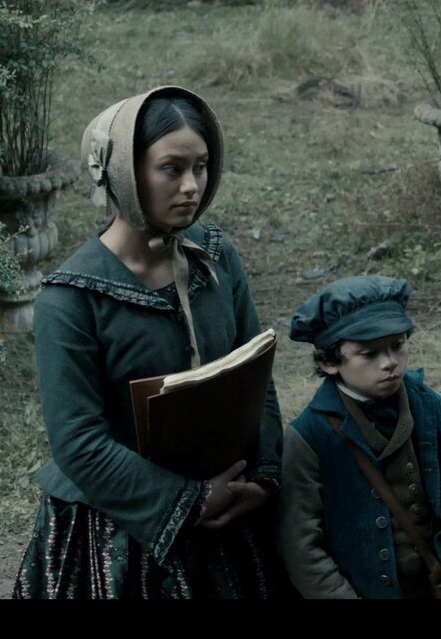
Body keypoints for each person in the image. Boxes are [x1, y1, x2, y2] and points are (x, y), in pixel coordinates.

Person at [14, 86, 285, 598]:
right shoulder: (70, 299)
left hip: (232, 505)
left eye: (201, 167)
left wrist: (264, 475)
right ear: (124, 174)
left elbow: (257, 373)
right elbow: (78, 441)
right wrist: (190, 501)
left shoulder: (217, 257)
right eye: (171, 169)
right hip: (122, 531)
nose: (192, 186)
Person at [279, 275, 441, 599]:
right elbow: (301, 545)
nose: (390, 362)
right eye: (369, 354)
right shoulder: (309, 436)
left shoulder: (434, 410)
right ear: (329, 362)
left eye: (398, 345)